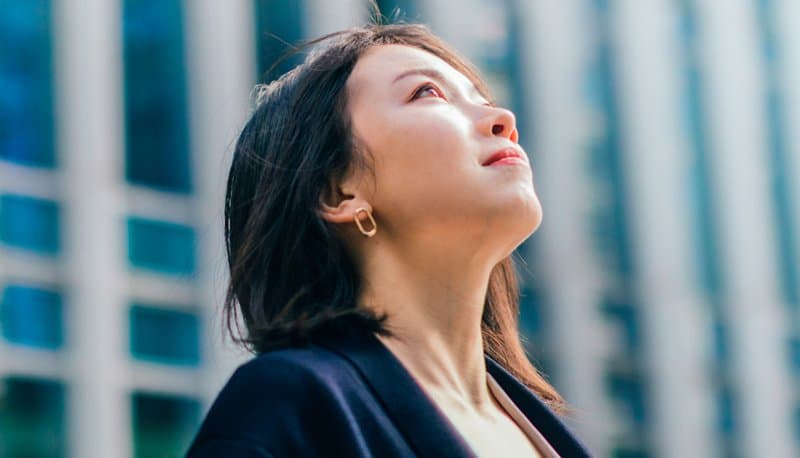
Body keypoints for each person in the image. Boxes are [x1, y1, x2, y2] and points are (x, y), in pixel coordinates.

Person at [186, 18, 591, 458]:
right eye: (428, 93)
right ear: (338, 190)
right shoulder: (288, 407)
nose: (503, 119)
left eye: (484, 98)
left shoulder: (541, 429)